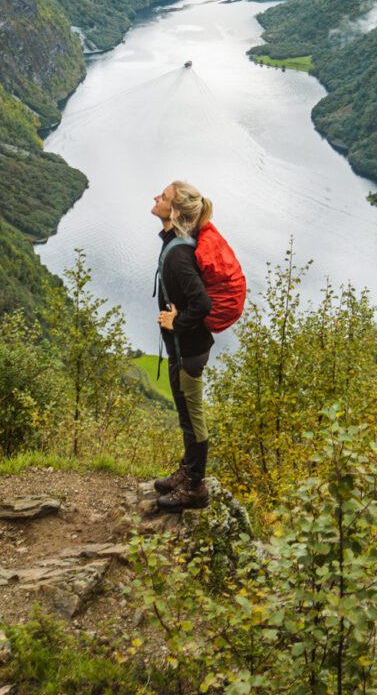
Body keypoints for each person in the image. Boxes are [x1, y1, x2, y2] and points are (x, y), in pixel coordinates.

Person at [151, 180, 213, 510]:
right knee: (185, 415)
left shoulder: (178, 256)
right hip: (182, 348)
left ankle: (195, 487)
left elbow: (202, 304)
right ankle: (188, 472)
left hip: (189, 350)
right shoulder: (175, 242)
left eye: (163, 197)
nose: (155, 197)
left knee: (193, 417)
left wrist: (176, 323)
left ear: (175, 212)